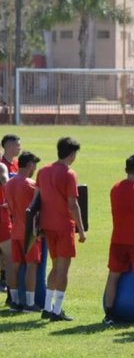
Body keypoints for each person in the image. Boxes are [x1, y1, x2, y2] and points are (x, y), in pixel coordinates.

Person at [36, 137, 86, 321]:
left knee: (55, 266)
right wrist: (81, 230)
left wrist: (38, 225)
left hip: (47, 225)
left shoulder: (43, 171)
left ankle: (47, 307)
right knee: (63, 269)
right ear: (72, 154)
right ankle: (57, 311)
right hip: (64, 227)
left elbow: (36, 199)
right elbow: (73, 204)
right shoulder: (69, 173)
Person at [102, 155, 134, 326]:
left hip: (118, 237)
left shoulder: (115, 189)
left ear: (126, 170)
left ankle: (109, 314)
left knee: (113, 275)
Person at [4, 151, 40, 312]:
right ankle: (30, 303)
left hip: (15, 230)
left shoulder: (9, 184)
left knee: (14, 265)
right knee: (32, 266)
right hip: (30, 231)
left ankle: (14, 301)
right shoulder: (31, 184)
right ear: (30, 165)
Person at [0, 134, 20, 296]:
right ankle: (11, 295)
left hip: (10, 212)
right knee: (11, 254)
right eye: (16, 145)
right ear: (8, 146)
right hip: (3, 213)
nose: (19, 147)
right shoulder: (2, 165)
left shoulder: (17, 164)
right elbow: (7, 183)